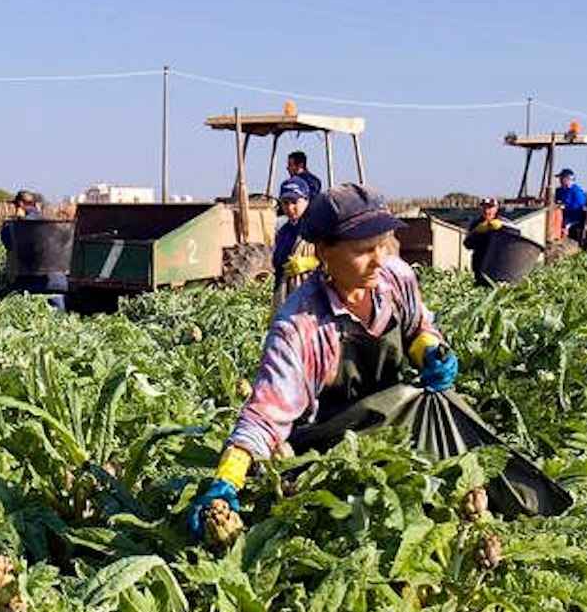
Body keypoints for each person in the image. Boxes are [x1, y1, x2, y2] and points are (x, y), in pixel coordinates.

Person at [188, 183, 458, 536]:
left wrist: (430, 351)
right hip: (331, 453)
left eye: (382, 244)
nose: (379, 258)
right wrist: (226, 481)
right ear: (323, 252)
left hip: (396, 428)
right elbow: (266, 414)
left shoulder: (396, 279)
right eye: (364, 250)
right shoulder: (300, 324)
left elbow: (417, 326)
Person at [0, 190, 67, 307]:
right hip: (58, 282)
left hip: (29, 283)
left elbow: (8, 244)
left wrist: (15, 221)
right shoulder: (53, 224)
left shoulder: (15, 226)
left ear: (20, 204)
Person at [272, 180, 318, 307]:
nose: (290, 208)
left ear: (307, 201)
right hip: (284, 292)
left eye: (294, 202)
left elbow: (334, 261)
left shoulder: (316, 230)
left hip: (309, 294)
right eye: (285, 203)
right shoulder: (283, 231)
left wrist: (310, 262)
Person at [554, 168, 587, 246]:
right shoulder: (559, 191)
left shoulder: (576, 191)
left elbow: (579, 205)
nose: (560, 180)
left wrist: (565, 206)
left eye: (562, 178)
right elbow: (555, 201)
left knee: (565, 228)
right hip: (561, 217)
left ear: (568, 179)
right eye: (560, 178)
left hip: (574, 219)